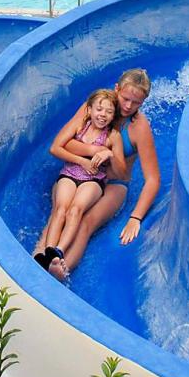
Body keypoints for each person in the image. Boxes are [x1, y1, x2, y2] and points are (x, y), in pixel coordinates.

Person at [33, 70, 160, 279]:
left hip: (114, 183)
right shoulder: (97, 106)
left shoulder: (139, 128)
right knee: (60, 212)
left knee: (85, 221)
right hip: (80, 171)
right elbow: (64, 143)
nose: (128, 106)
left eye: (136, 103)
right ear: (116, 89)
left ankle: (60, 269)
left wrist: (135, 217)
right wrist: (93, 151)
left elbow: (153, 179)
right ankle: (37, 260)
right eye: (125, 99)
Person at [35, 88, 123, 279]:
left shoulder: (112, 136)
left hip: (93, 180)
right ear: (89, 110)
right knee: (61, 209)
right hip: (69, 173)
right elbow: (55, 149)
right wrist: (83, 160)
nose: (103, 115)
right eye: (99, 110)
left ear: (113, 115)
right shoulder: (80, 127)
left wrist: (109, 154)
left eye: (109, 112)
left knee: (75, 210)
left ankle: (59, 250)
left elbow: (118, 169)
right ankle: (48, 253)